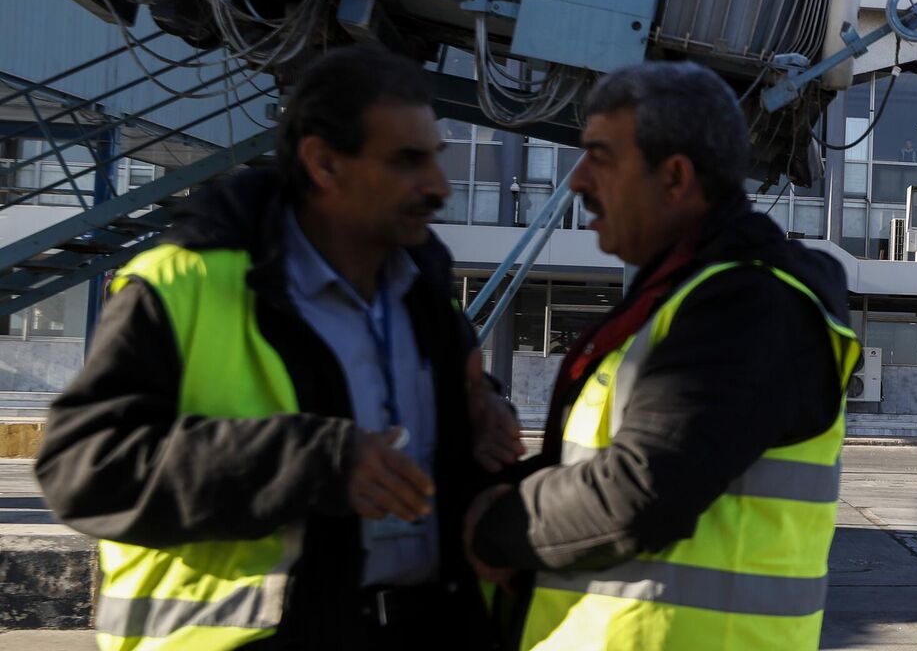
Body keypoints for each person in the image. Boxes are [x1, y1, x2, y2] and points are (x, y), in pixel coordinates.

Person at [35, 45, 524, 650]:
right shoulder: (186, 283)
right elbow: (84, 469)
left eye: (435, 158)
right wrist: (309, 463)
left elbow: (430, 440)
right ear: (324, 162)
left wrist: (484, 419)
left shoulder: (421, 288)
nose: (438, 186)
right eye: (407, 160)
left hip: (429, 627)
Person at [463, 61, 859, 651]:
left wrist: (496, 526)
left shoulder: (747, 305)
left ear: (674, 177)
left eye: (599, 156)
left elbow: (642, 489)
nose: (576, 181)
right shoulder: (681, 299)